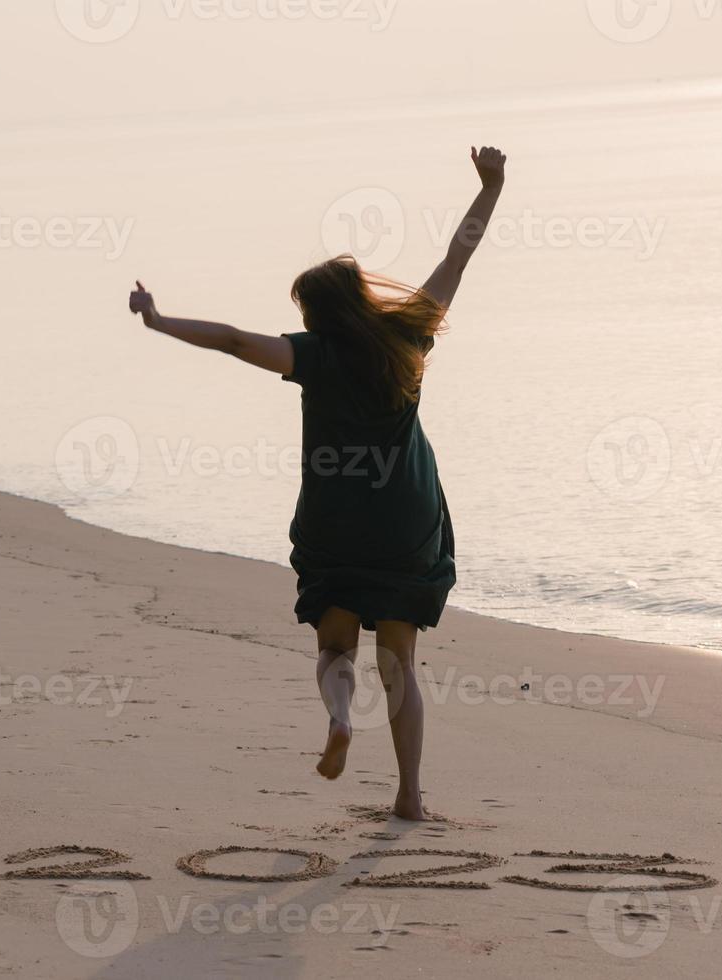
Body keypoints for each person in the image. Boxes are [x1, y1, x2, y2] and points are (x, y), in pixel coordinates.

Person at [130, 146, 506, 820]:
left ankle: (339, 716)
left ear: (318, 315)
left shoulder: (310, 355)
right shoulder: (406, 338)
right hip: (405, 521)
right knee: (399, 664)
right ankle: (410, 796)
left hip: (336, 522)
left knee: (336, 646)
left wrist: (160, 322)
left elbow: (233, 340)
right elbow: (458, 258)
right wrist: (491, 186)